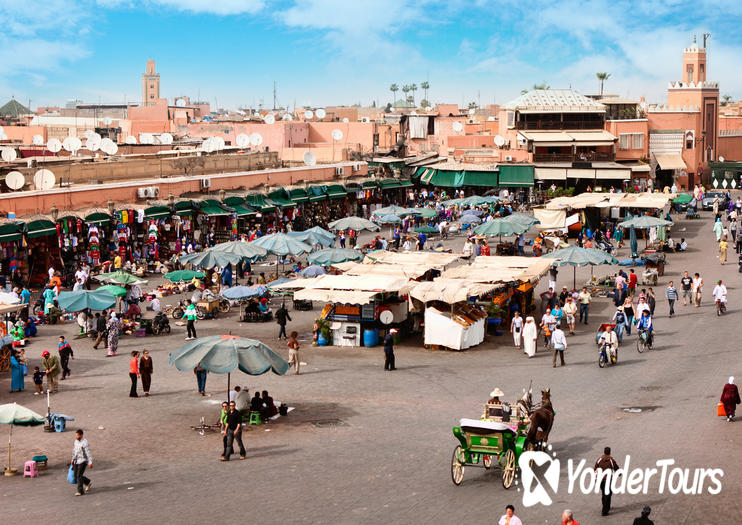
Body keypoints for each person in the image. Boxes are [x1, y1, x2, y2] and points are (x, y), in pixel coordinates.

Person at [594, 447, 619, 516]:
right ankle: (605, 510)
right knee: (608, 494)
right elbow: (616, 467)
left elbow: (595, 468)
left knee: (604, 493)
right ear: (610, 452)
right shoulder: (611, 460)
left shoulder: (599, 459)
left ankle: (605, 505)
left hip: (600, 480)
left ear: (604, 452)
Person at [71, 429, 93, 496]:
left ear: (81, 435)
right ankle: (87, 482)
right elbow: (74, 450)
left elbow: (88, 453)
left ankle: (80, 491)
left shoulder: (85, 443)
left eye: (77, 435)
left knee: (79, 475)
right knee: (75, 475)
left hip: (83, 461)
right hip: (76, 460)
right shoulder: (76, 442)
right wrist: (72, 459)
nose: (76, 436)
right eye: (76, 435)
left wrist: (90, 462)